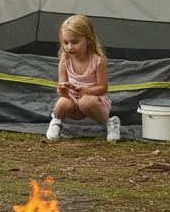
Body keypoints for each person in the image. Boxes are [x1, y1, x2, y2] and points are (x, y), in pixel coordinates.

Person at [47, 14, 121, 143]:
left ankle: (110, 123)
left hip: (93, 100)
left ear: (88, 39)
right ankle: (56, 122)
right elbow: (61, 86)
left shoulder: (98, 61)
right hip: (73, 101)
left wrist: (83, 91)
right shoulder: (64, 61)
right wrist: (63, 91)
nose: (69, 47)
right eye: (65, 42)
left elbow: (103, 88)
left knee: (86, 101)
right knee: (62, 103)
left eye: (75, 42)